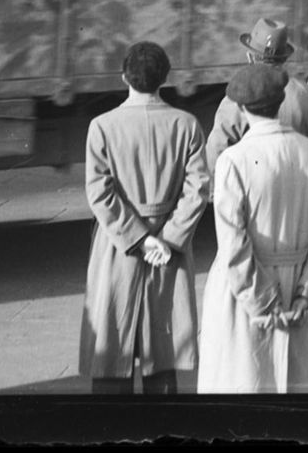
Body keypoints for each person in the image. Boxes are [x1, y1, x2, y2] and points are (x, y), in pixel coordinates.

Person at [196, 63, 308, 394]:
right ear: (280, 102)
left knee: (243, 386)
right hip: (299, 288)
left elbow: (234, 243)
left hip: (244, 291)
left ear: (242, 107)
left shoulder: (233, 160)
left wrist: (264, 302)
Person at [79, 42, 210, 395]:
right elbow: (198, 189)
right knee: (162, 351)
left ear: (124, 76)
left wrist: (139, 237)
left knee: (111, 342)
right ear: (164, 78)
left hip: (118, 243)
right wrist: (167, 237)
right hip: (169, 246)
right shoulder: (187, 124)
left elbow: (99, 192)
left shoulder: (102, 126)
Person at [205, 19, 308, 171]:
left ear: (250, 57)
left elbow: (216, 152)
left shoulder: (237, 99)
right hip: (300, 187)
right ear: (284, 58)